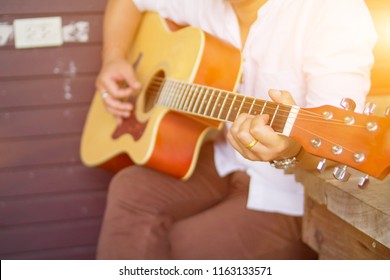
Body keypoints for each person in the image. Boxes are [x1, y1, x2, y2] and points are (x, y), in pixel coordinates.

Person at [95, 0, 377, 259]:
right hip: (221, 158)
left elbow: (335, 146)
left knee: (185, 244)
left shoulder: (331, 11)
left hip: (289, 190)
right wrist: (114, 58)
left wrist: (289, 150)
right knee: (130, 187)